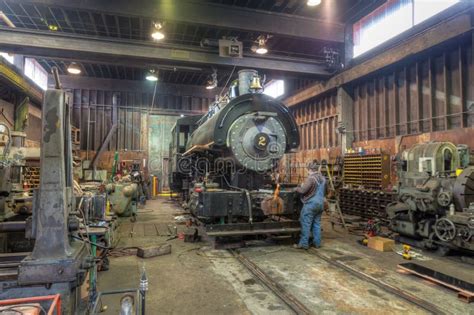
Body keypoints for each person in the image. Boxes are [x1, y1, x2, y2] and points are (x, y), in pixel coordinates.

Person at [294, 159, 326, 250]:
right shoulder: (323, 179)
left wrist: (297, 188)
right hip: (320, 204)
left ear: (310, 169)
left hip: (311, 204)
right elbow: (325, 192)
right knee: (317, 224)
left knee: (306, 224)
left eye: (307, 170)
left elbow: (303, 190)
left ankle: (304, 244)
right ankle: (317, 243)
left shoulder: (311, 179)